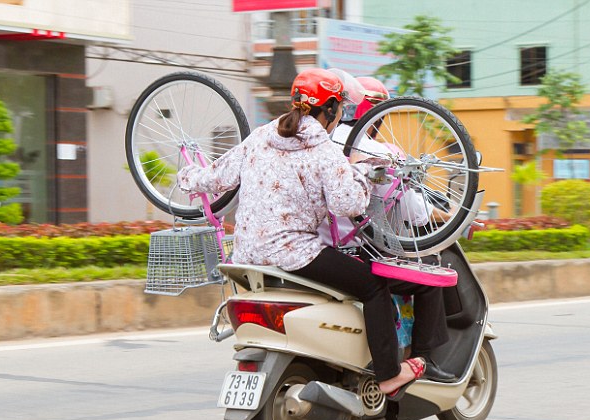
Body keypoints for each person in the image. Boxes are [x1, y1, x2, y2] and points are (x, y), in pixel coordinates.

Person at [177, 68, 449, 399]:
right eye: (339, 109)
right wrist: (364, 175)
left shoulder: (261, 135)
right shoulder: (322, 148)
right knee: (372, 285)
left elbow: (215, 178)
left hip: (247, 252)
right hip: (295, 253)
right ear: (331, 108)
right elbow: (347, 203)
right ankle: (389, 375)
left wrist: (187, 175)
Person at [321, 76, 457, 383]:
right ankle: (421, 361)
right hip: (359, 254)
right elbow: (417, 214)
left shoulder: (315, 144)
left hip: (318, 247)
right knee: (430, 278)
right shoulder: (378, 151)